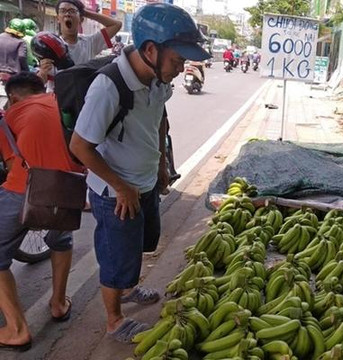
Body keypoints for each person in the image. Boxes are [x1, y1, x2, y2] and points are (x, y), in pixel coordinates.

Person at [69, 3, 210, 342]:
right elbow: (79, 145)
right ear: (151, 50)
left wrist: (161, 164)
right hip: (115, 193)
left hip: (145, 183)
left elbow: (159, 120)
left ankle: (129, 289)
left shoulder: (157, 79)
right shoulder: (109, 87)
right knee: (116, 256)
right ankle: (115, 320)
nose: (180, 69)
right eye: (177, 61)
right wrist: (121, 187)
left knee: (140, 245)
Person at [0, 72, 82, 351]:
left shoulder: (9, 116)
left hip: (26, 191)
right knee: (61, 240)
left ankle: (17, 329)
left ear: (13, 98)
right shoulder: (61, 103)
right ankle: (59, 303)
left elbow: (13, 166)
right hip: (69, 188)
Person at [37, 0, 122, 83]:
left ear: (81, 19)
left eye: (72, 11)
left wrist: (86, 12)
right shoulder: (49, 46)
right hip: (56, 96)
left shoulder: (90, 42)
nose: (67, 14)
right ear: (58, 18)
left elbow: (116, 25)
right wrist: (42, 74)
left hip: (84, 96)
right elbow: (39, 83)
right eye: (63, 11)